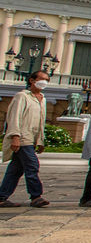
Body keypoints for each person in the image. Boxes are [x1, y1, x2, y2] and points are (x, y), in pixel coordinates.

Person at [0, 71, 50, 208]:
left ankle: (2, 196)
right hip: (22, 138)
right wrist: (15, 136)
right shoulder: (22, 96)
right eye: (41, 79)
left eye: (46, 80)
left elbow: (40, 122)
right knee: (32, 165)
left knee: (16, 169)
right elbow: (14, 117)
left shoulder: (42, 98)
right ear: (32, 80)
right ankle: (36, 196)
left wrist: (40, 140)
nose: (44, 82)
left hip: (32, 139)